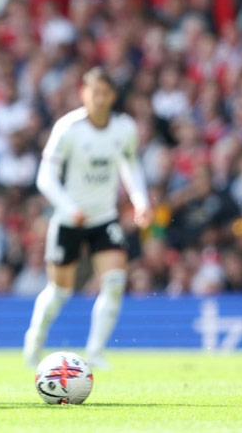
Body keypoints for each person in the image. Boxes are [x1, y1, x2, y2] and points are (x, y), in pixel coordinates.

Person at [23, 67, 152, 369]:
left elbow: (130, 167)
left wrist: (141, 202)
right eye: (95, 93)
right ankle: (34, 341)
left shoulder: (124, 128)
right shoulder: (68, 128)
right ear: (84, 93)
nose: (100, 99)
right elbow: (45, 177)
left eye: (106, 93)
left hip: (104, 219)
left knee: (116, 281)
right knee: (60, 292)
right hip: (69, 220)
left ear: (113, 96)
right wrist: (68, 207)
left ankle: (94, 352)